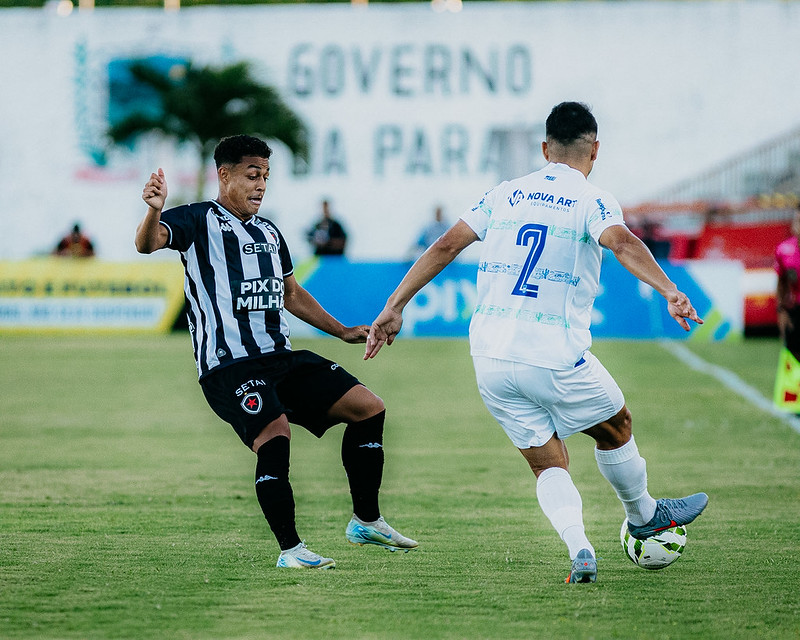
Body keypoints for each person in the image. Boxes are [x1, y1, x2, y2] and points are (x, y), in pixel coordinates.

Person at [364, 102, 708, 583]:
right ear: (595, 150)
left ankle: (580, 548)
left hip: (490, 358)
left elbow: (445, 245)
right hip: (552, 354)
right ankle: (644, 515)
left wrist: (394, 305)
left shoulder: (504, 193)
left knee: (548, 464)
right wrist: (669, 289)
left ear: (545, 148)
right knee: (616, 427)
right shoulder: (592, 199)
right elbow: (622, 243)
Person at [136, 135, 416, 570]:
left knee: (368, 408)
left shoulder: (269, 232)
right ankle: (291, 550)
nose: (261, 185)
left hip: (280, 358)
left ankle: (366, 520)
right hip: (228, 365)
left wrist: (342, 331)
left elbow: (291, 294)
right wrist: (154, 209)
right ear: (224, 175)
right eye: (253, 175)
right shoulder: (196, 218)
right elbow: (148, 243)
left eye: (266, 176)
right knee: (275, 433)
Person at [775, 205, 800, 359]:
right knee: (793, 351)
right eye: (796, 220)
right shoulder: (784, 250)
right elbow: (781, 283)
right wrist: (781, 311)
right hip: (796, 309)